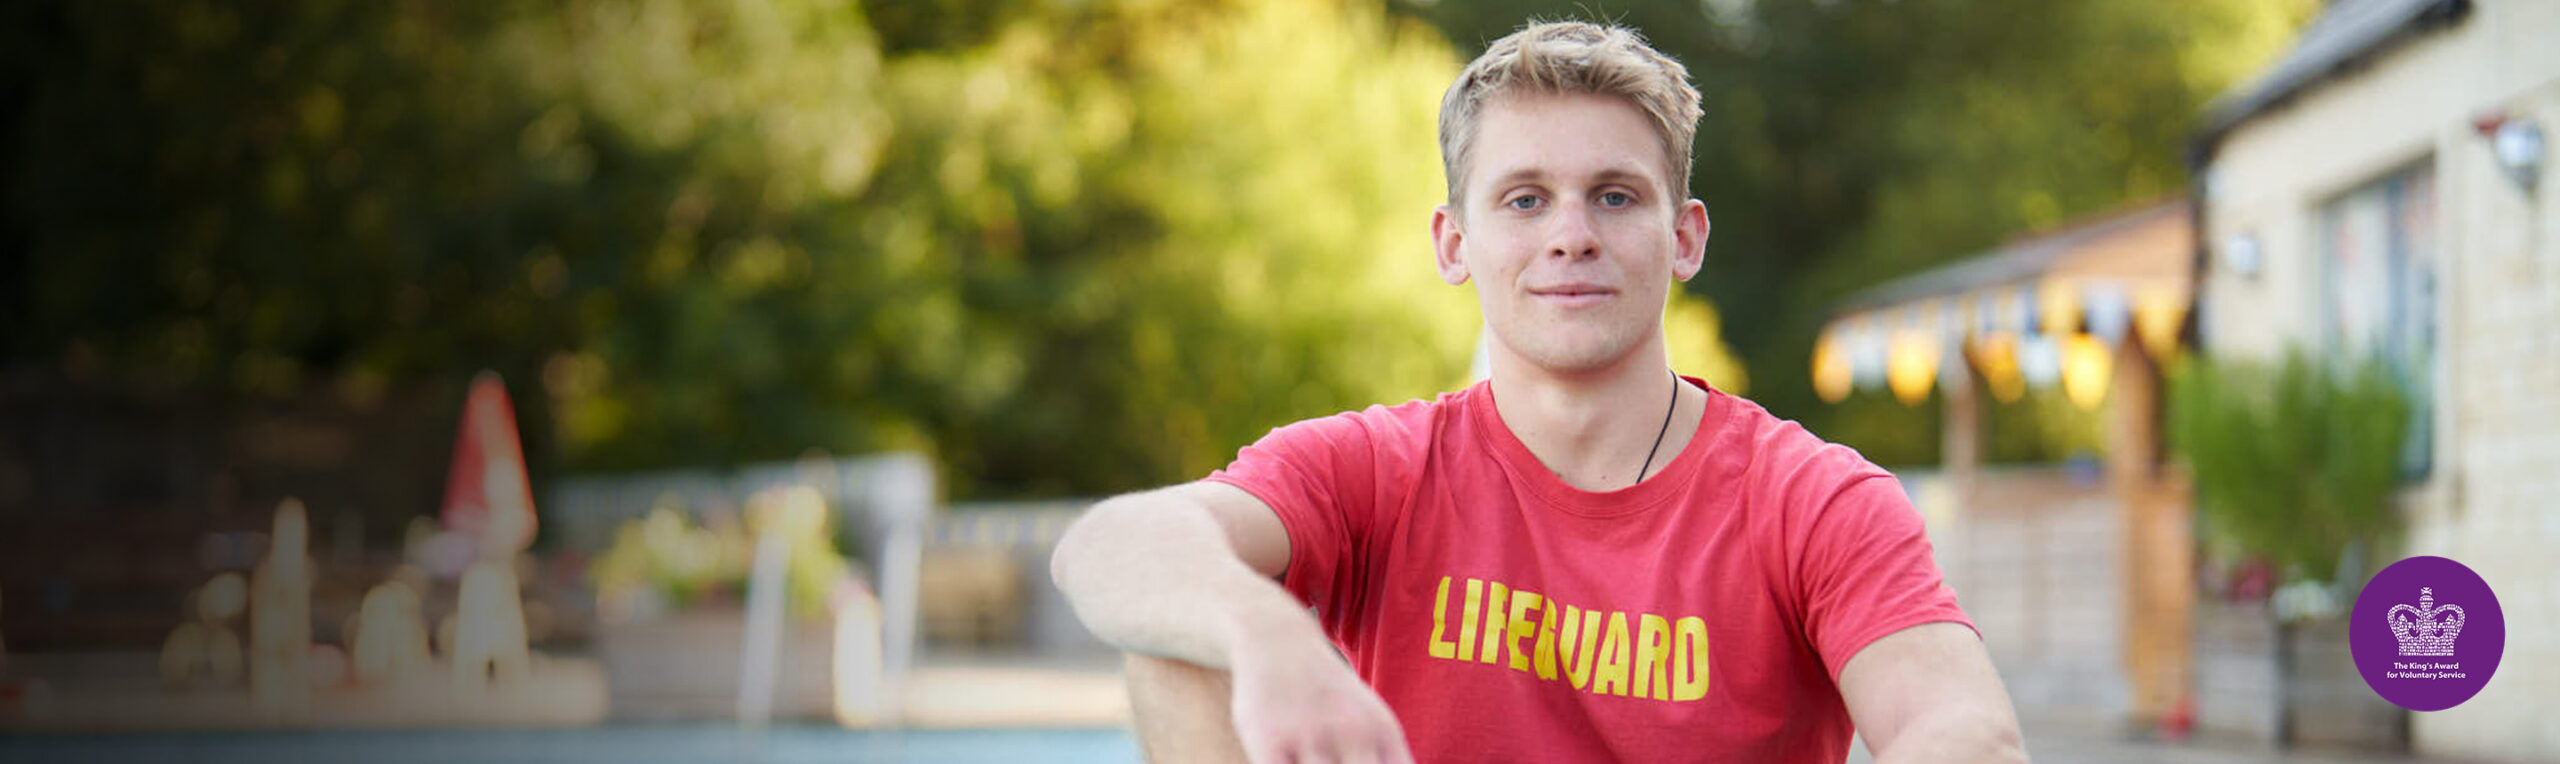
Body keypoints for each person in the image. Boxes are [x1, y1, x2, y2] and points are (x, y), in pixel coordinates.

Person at [1051, 20, 2024, 763]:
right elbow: (1111, 546)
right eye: (1523, 198)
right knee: (1181, 635)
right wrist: (1266, 630)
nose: (1571, 234)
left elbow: (1966, 729)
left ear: (1683, 236)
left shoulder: (1809, 495)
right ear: (1453, 242)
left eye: (1614, 194)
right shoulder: (1378, 466)